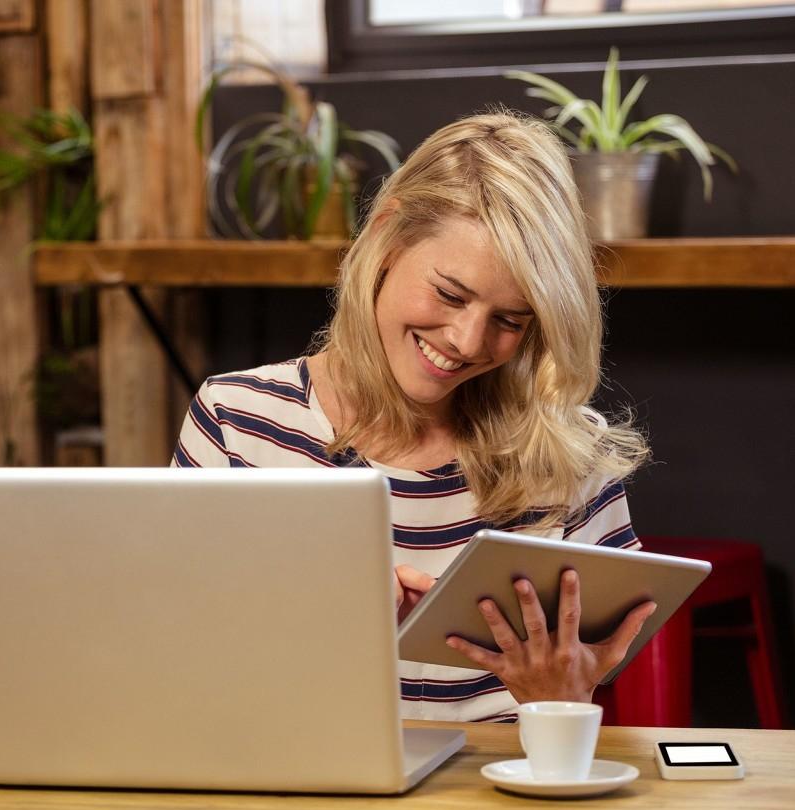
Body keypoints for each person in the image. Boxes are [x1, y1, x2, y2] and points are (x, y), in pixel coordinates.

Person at [171, 110, 657, 723]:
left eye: (511, 320)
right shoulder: (237, 420)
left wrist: (562, 700)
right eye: (450, 294)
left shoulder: (566, 455)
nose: (466, 340)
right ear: (386, 235)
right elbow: (183, 661)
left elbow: (584, 690)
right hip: (302, 801)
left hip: (498, 806)